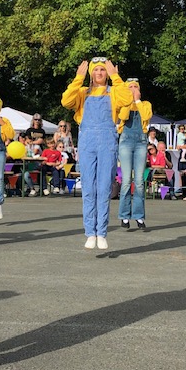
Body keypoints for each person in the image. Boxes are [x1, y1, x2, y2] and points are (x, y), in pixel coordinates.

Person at [61, 57, 132, 250]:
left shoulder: (115, 92)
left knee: (103, 188)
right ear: (90, 73)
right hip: (87, 143)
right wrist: (78, 78)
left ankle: (101, 232)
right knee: (89, 189)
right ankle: (89, 232)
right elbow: (66, 101)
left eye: (102, 70)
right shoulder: (82, 93)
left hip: (108, 142)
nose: (99, 73)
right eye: (96, 70)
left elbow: (128, 99)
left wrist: (116, 76)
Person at [117, 77, 152, 229]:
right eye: (129, 87)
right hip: (125, 141)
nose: (133, 89)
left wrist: (137, 101)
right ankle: (124, 216)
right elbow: (123, 117)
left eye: (135, 87)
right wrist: (128, 100)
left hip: (141, 142)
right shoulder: (123, 104)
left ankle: (139, 216)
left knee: (138, 181)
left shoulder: (145, 104)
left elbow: (146, 116)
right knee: (126, 181)